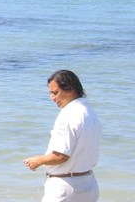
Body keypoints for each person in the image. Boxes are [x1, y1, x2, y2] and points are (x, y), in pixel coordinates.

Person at [23, 70, 101, 202]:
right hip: (88, 184)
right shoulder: (89, 112)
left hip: (66, 187)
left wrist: (38, 160)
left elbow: (61, 156)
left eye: (55, 93)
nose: (52, 98)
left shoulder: (68, 114)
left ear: (70, 90)